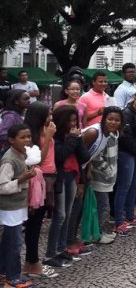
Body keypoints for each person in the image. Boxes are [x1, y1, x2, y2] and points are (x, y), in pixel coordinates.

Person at [44, 105, 89, 268]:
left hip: (73, 176)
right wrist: (71, 139)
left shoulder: (73, 135)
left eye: (74, 120)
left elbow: (84, 157)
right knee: (60, 215)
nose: (72, 124)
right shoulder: (54, 136)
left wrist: (78, 139)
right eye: (69, 121)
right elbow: (61, 155)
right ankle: (50, 253)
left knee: (68, 214)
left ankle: (61, 248)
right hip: (60, 177)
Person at [22, 102, 59, 279]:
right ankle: (33, 262)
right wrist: (50, 135)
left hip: (50, 177)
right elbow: (37, 160)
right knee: (34, 224)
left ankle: (31, 262)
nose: (50, 116)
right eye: (48, 113)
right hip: (39, 179)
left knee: (38, 222)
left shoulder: (46, 130)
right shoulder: (32, 135)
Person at [0, 124, 37, 288]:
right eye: (22, 137)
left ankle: (3, 273)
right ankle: (13, 278)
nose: (27, 140)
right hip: (10, 208)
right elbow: (2, 187)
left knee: (9, 242)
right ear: (11, 140)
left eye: (28, 136)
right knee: (14, 243)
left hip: (19, 205)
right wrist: (22, 179)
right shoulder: (9, 160)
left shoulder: (23, 154)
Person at [114, 89, 136, 234]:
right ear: (135, 98)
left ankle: (130, 216)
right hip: (127, 153)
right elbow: (124, 137)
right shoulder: (126, 113)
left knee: (133, 186)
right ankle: (118, 220)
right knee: (124, 186)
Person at [85, 107, 122, 244]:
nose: (113, 122)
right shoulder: (97, 133)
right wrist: (108, 170)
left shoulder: (113, 134)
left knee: (103, 205)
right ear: (104, 118)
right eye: (110, 119)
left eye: (117, 120)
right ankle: (97, 234)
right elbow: (95, 156)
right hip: (99, 176)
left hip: (108, 176)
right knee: (102, 206)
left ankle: (100, 231)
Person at [0, 90, 29, 155]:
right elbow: (3, 135)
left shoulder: (18, 114)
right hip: (10, 152)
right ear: (16, 102)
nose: (29, 101)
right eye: (25, 99)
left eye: (29, 98)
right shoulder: (10, 116)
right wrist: (16, 144)